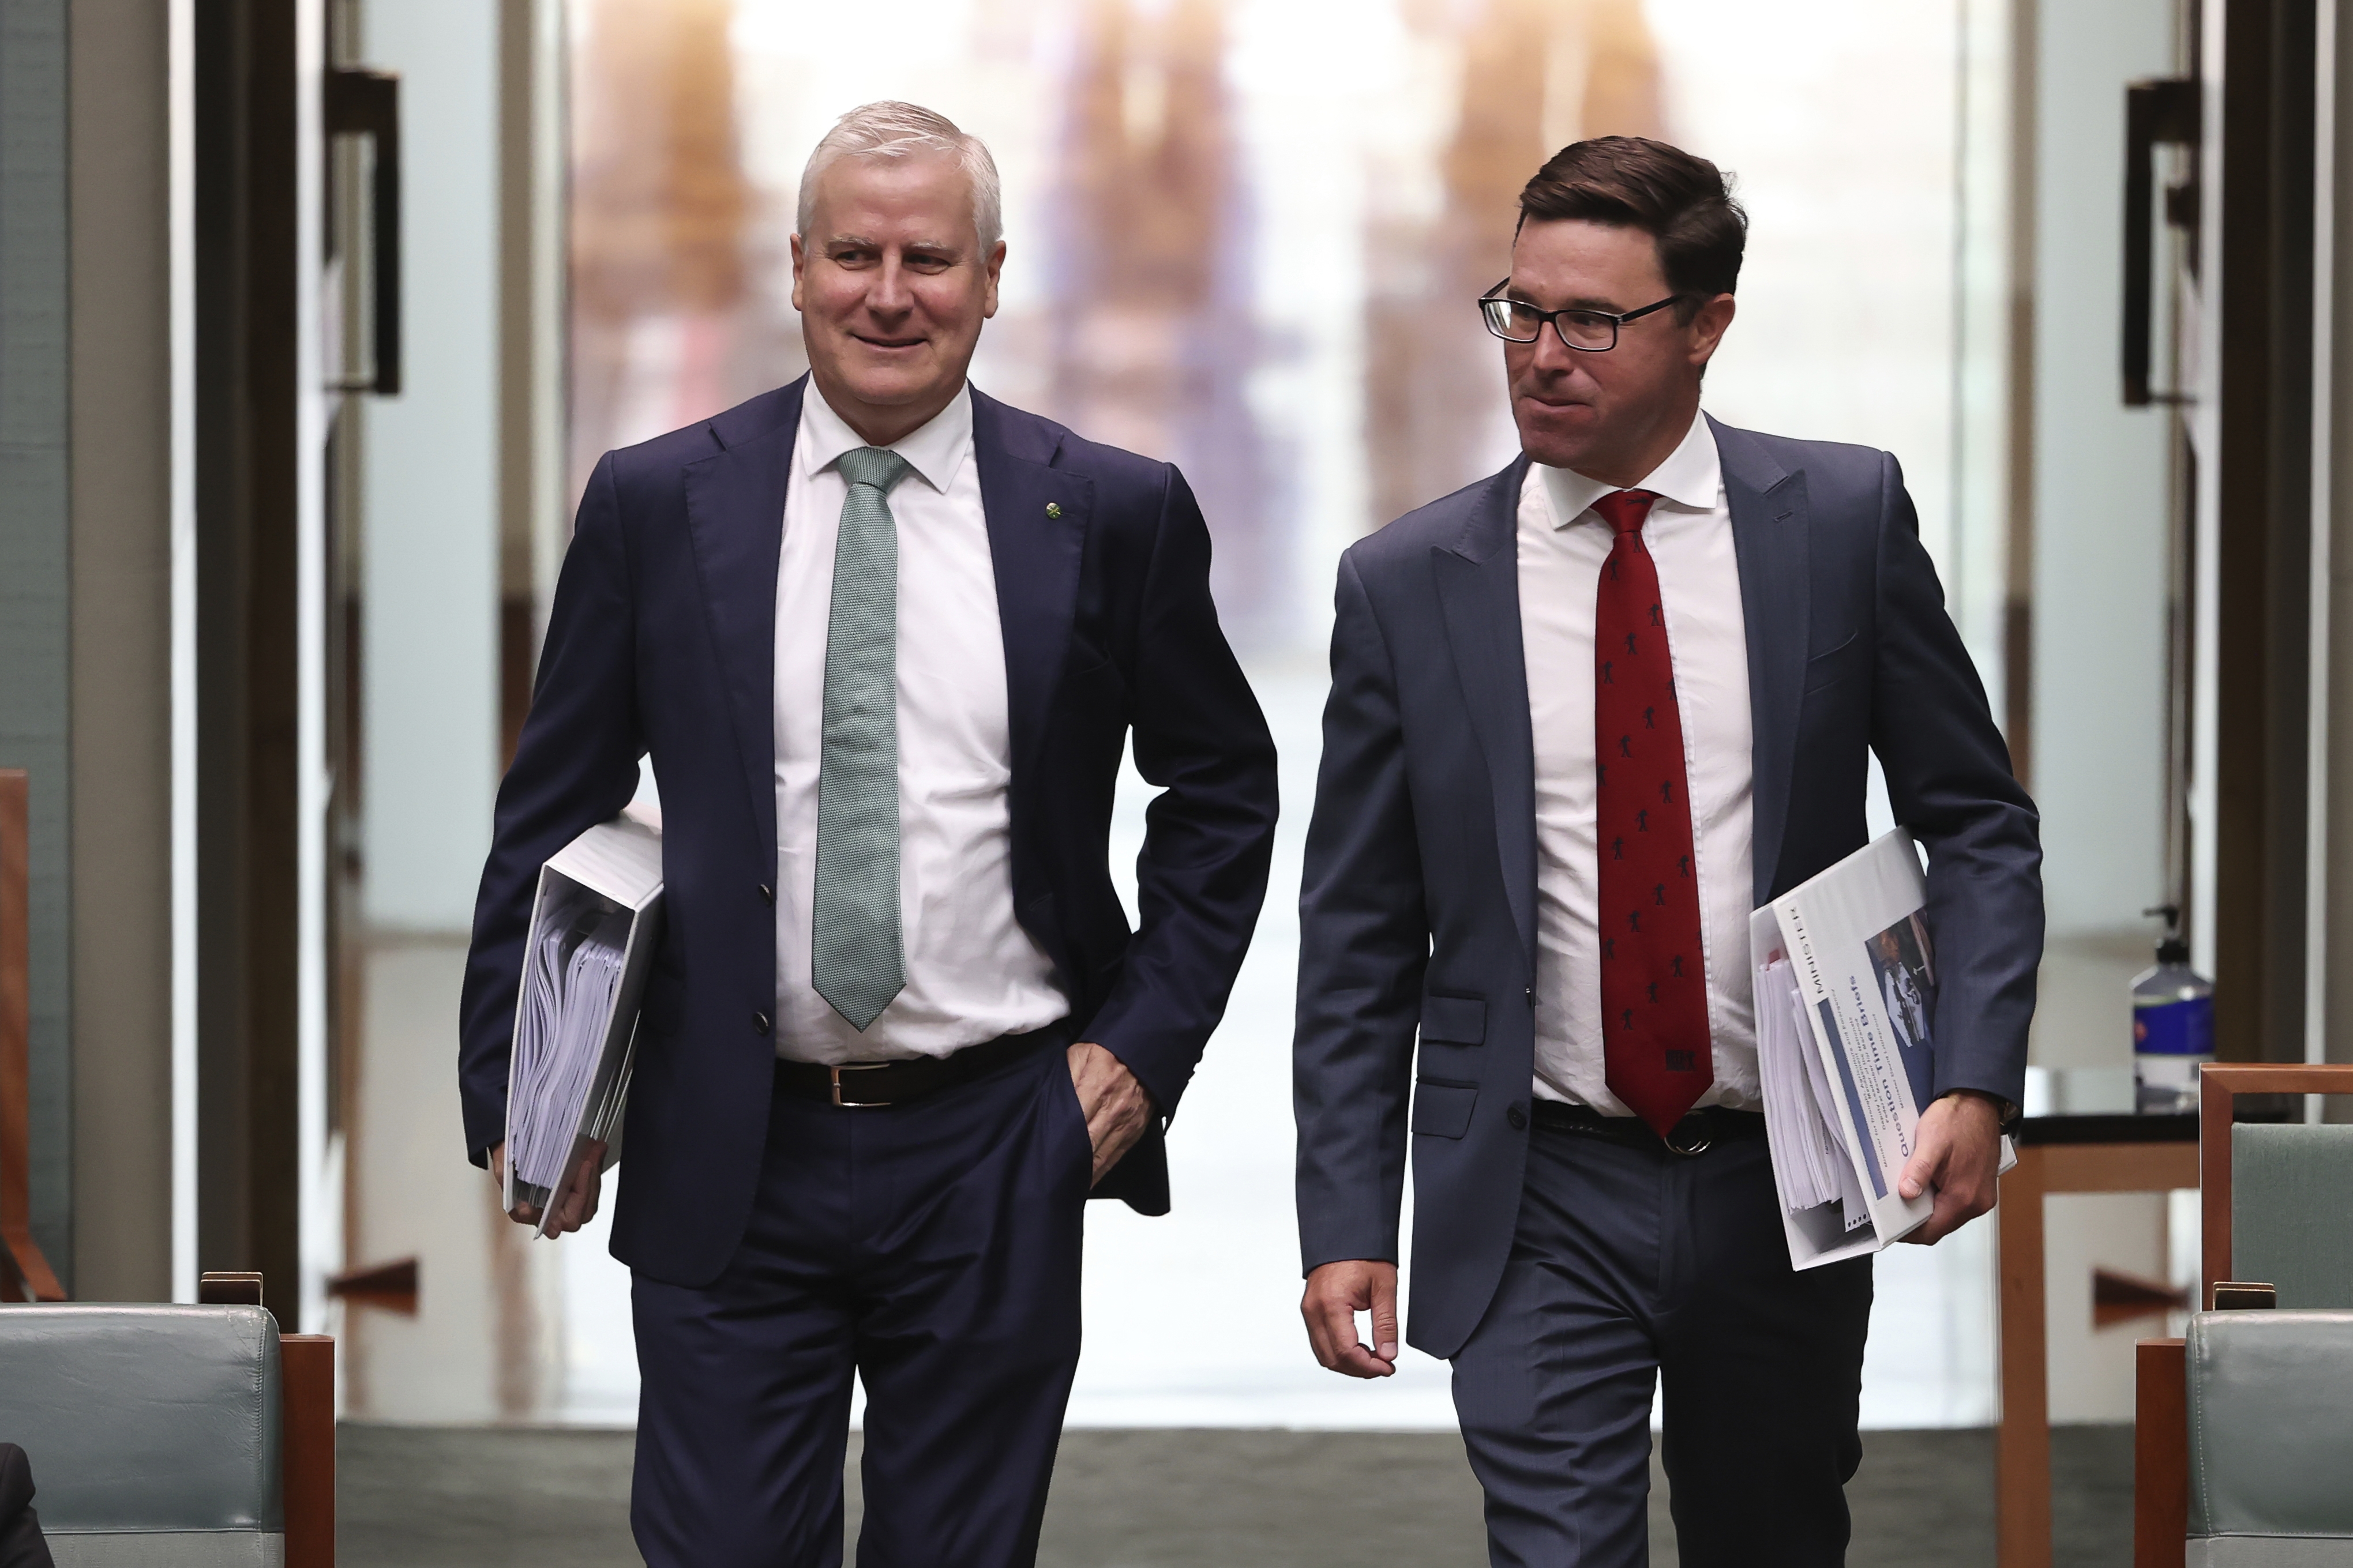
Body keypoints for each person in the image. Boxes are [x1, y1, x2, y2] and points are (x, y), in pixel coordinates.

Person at [460, 101, 1278, 1567]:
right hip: (728, 1132)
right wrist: (527, 1097)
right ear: (793, 266)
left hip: (998, 1138)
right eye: (853, 253)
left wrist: (1142, 1049)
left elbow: (1222, 789)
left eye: (928, 258)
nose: (888, 293)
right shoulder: (657, 504)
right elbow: (551, 813)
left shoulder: (1110, 512)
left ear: (993, 274)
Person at [1292, 136, 2041, 1567]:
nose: (1542, 354)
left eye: (1593, 320)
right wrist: (1345, 1217)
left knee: (1770, 1536)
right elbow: (1360, 936)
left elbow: (1980, 821)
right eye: (1520, 310)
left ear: (1707, 327)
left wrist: (1974, 1073)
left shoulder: (1838, 523)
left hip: (1786, 1169)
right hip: (1533, 1184)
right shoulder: (1406, 586)